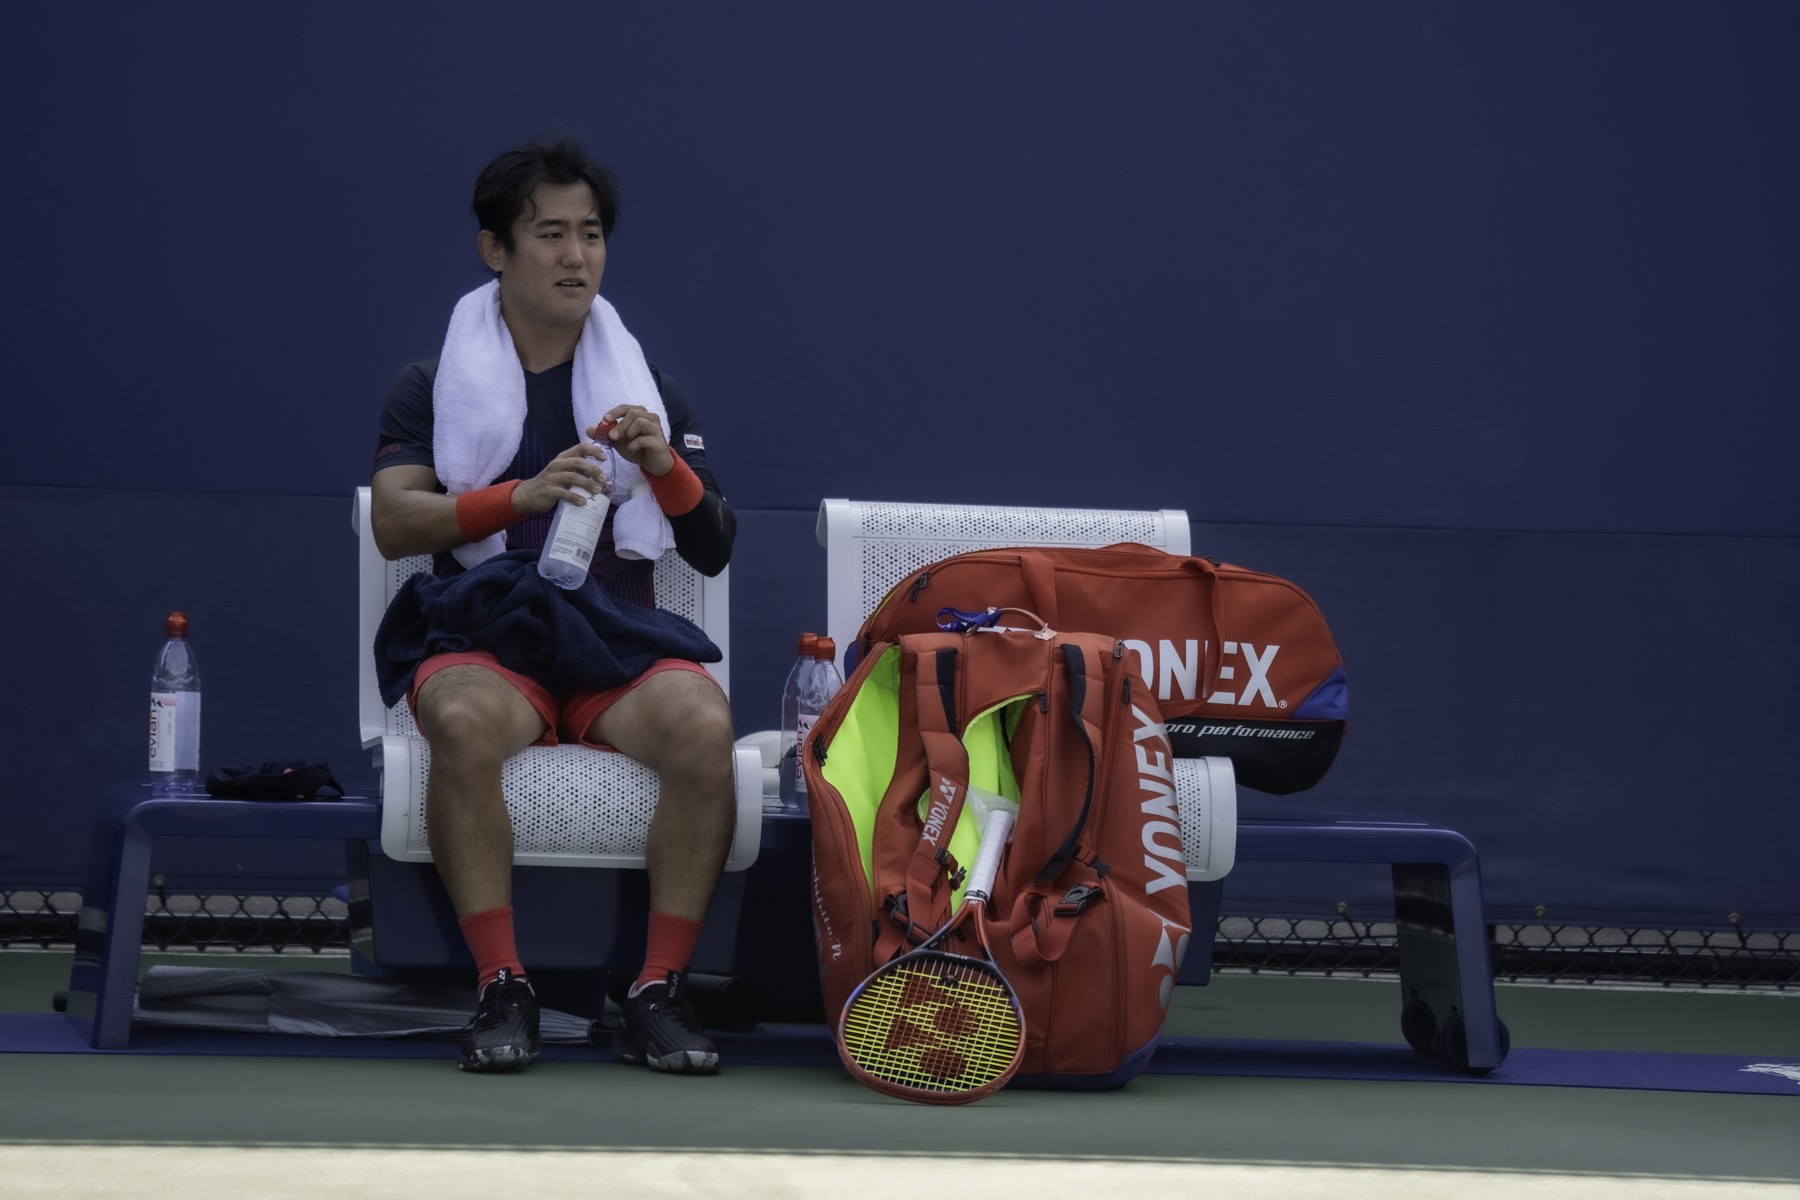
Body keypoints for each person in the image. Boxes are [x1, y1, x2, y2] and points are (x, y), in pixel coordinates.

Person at [369, 136, 738, 1075]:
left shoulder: (647, 391)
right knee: (453, 715)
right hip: (491, 634)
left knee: (703, 723)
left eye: (592, 234)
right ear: (495, 249)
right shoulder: (428, 386)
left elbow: (713, 545)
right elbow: (397, 522)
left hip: (613, 640)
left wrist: (667, 468)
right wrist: (517, 497)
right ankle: (503, 985)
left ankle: (655, 989)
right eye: (550, 235)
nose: (577, 256)